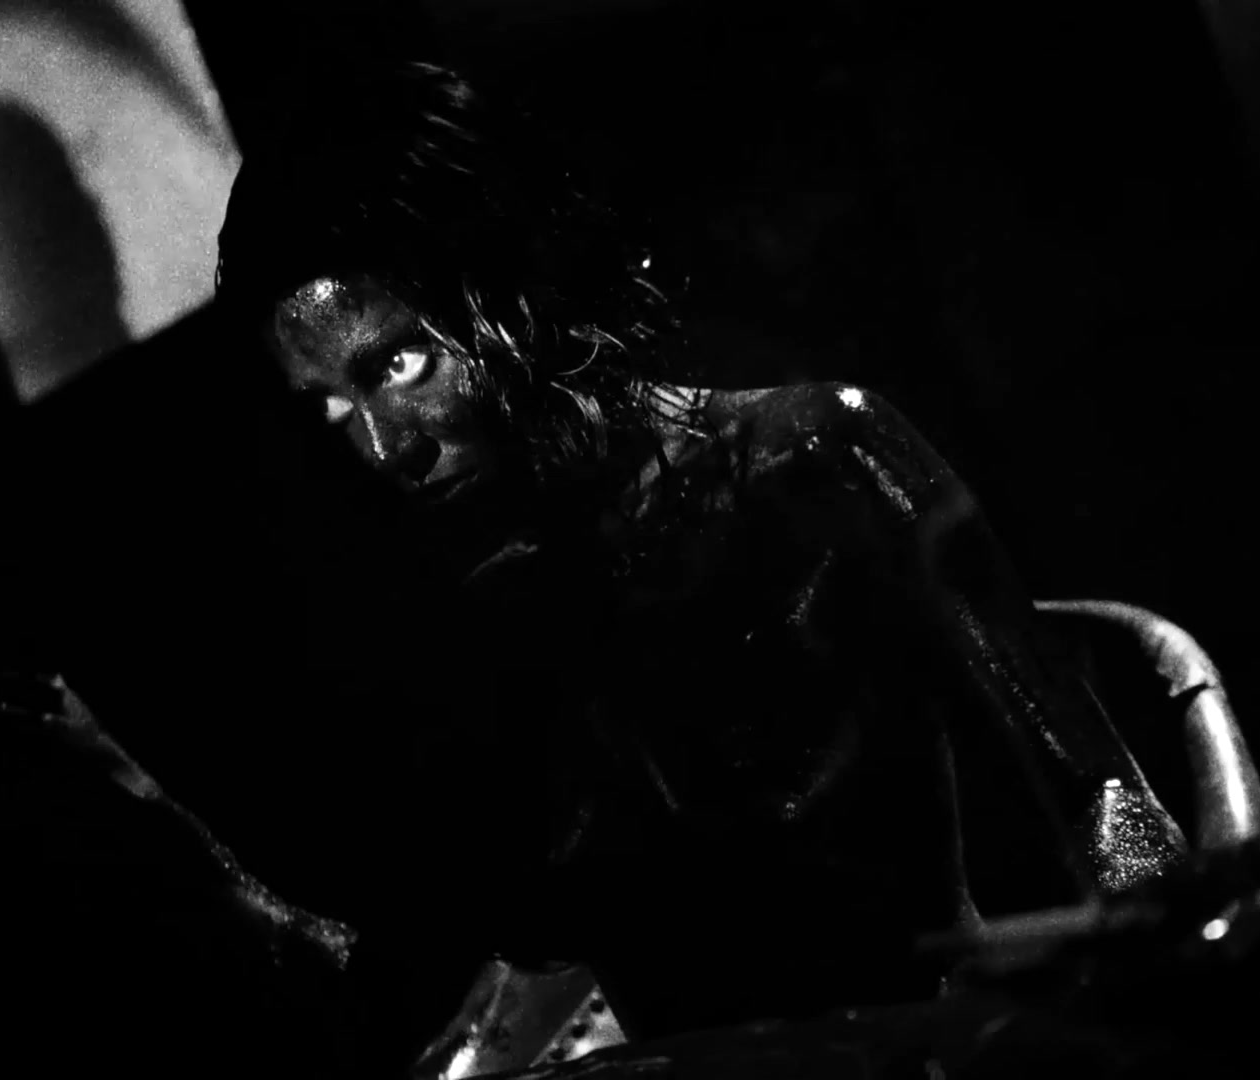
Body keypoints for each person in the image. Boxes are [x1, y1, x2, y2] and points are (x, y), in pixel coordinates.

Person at [211, 58, 1190, 1068]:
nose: (383, 449)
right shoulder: (486, 604)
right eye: (331, 406)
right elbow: (553, 956)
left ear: (512, 291)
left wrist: (1182, 1000)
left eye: (399, 364)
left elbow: (1097, 795)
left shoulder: (814, 455)